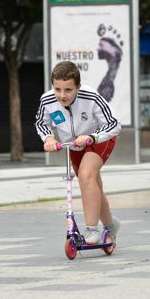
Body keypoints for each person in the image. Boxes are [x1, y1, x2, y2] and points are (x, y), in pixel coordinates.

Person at [35, 60, 122, 245]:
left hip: (99, 139)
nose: (62, 95)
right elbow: (41, 123)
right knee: (92, 185)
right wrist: (48, 138)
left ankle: (92, 230)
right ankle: (111, 225)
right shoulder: (47, 100)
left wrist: (93, 136)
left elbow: (114, 123)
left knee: (85, 175)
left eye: (68, 90)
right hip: (73, 145)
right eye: (57, 89)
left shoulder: (91, 97)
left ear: (78, 87)